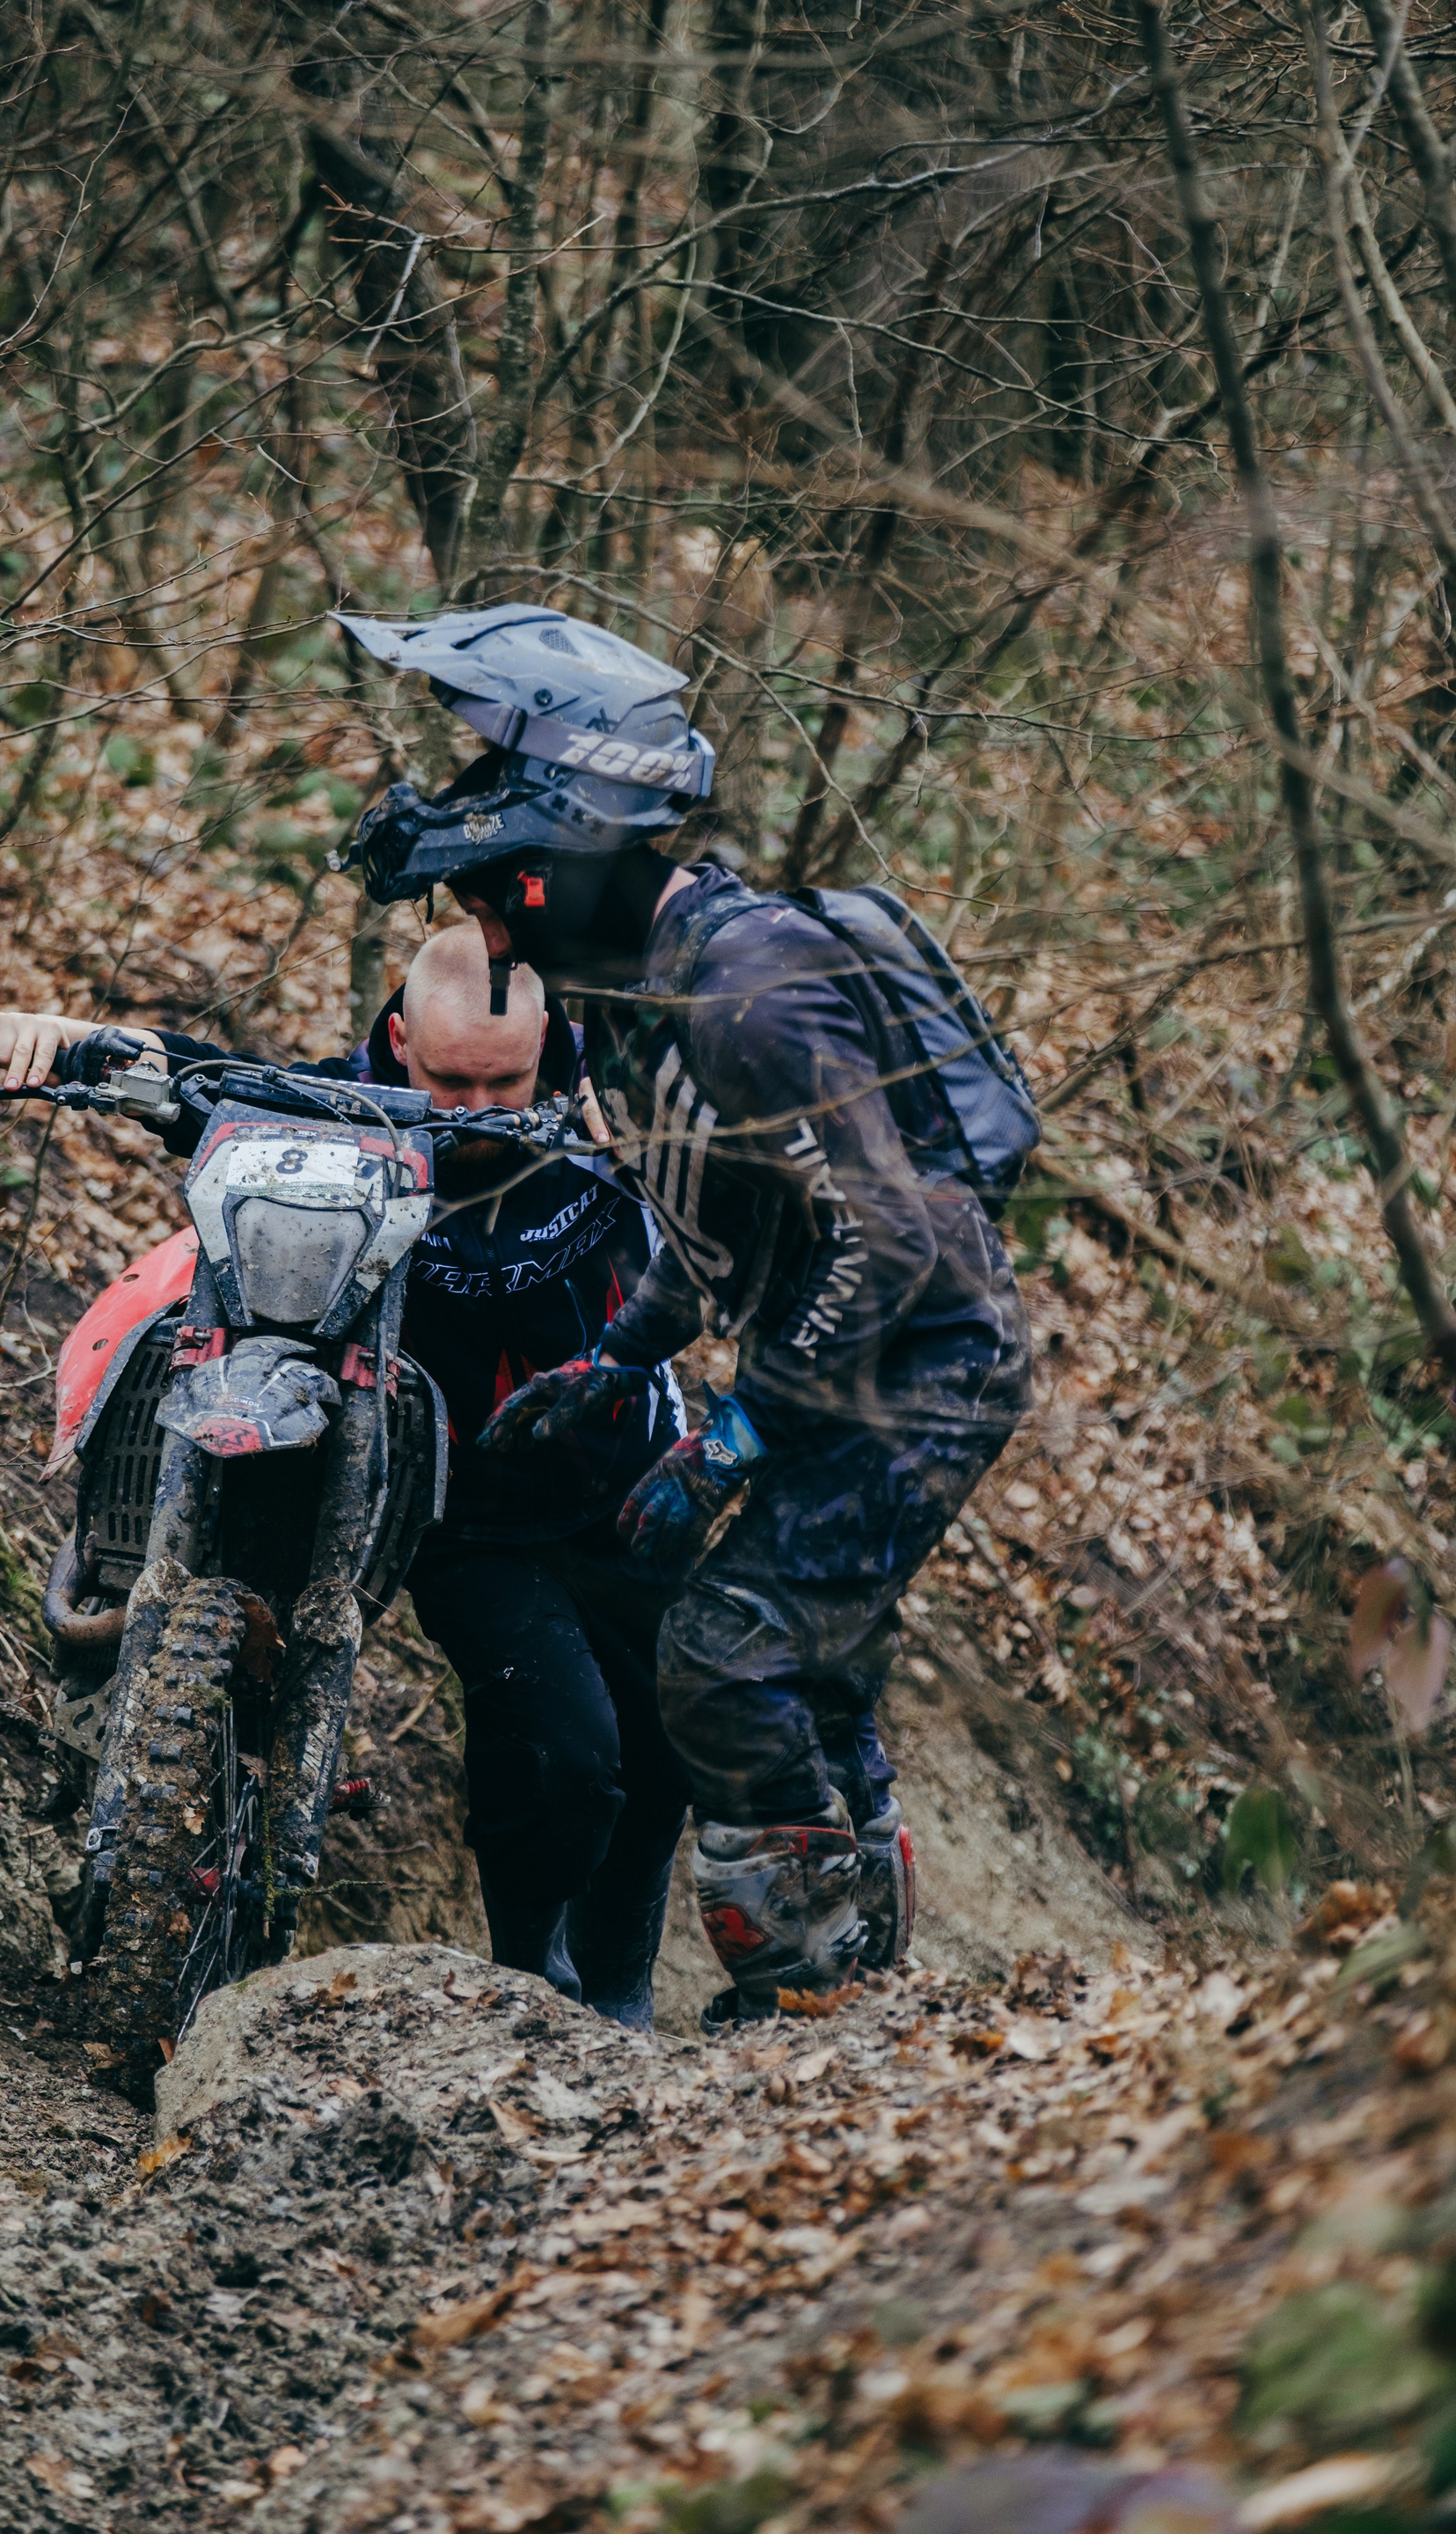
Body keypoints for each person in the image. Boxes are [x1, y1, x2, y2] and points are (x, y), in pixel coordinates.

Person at [334, 602, 1035, 2028]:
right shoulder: (638, 1001)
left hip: (925, 1367)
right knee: (798, 1662)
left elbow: (890, 1235)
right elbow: (717, 1220)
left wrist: (739, 1431)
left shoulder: (749, 995)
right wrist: (621, 1358)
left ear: (564, 867)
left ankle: (810, 2005)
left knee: (722, 1652)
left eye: (497, 896)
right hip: (839, 1350)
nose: (486, 930)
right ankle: (862, 1989)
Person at [0, 925, 691, 2030]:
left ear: (549, 1042)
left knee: (663, 1745)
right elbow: (201, 1080)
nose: (476, 1112)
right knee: (564, 1756)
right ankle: (538, 1988)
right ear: (400, 1040)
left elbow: (784, 1124)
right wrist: (64, 1037)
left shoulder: (626, 1098)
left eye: (504, 1084)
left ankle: (625, 1982)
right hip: (462, 1506)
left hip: (629, 1474)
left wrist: (664, 1124)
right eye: (449, 1081)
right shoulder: (339, 1110)